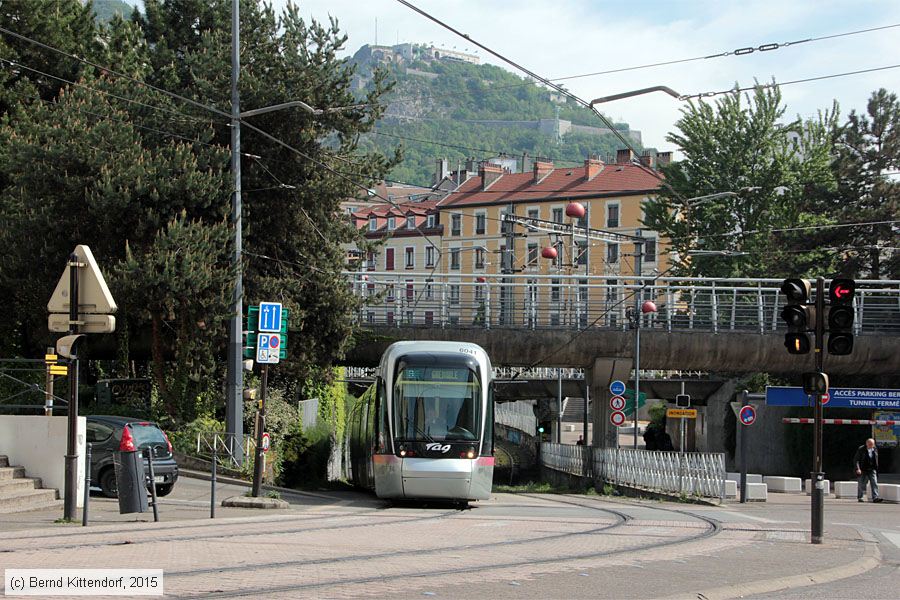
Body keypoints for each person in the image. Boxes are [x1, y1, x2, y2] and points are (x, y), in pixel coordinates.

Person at [854, 438, 883, 503]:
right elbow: (856, 460)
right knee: (861, 483)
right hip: (863, 468)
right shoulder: (861, 449)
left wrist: (876, 468)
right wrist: (858, 468)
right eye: (869, 444)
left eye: (872, 445)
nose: (871, 446)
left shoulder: (875, 449)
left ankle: (875, 497)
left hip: (872, 468)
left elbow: (875, 459)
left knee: (874, 482)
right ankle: (860, 497)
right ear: (866, 443)